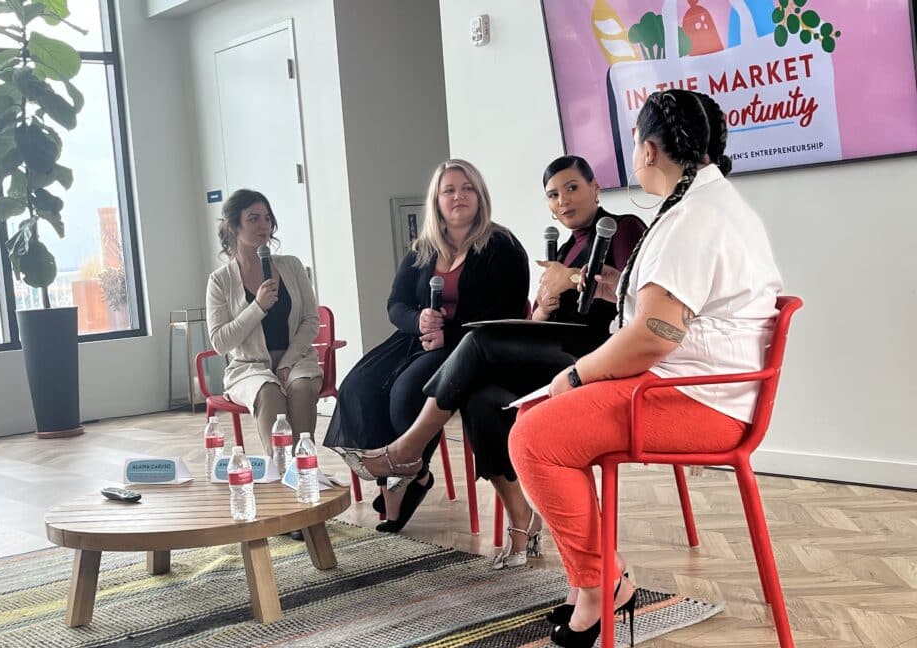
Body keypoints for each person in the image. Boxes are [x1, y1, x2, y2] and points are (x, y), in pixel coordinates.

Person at [509, 89, 782, 648]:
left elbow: (654, 337)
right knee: (540, 418)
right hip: (694, 389)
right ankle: (602, 579)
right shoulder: (710, 206)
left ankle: (601, 585)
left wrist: (579, 375)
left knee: (534, 438)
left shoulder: (694, 218)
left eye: (634, 141)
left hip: (696, 400)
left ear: (650, 149)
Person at [336, 156, 645, 566]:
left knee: (478, 341)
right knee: (482, 400)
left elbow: (633, 293)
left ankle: (406, 450)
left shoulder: (623, 228)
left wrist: (568, 281)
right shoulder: (569, 247)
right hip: (558, 351)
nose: (563, 201)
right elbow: (533, 321)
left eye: (572, 188)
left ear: (595, 188)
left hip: (597, 357)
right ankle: (522, 522)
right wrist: (545, 309)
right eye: (553, 195)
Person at [325, 159, 529, 529]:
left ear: (480, 195)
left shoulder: (503, 246)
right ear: (436, 200)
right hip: (415, 339)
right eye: (449, 190)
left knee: (406, 393)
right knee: (359, 388)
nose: (458, 196)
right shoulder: (422, 249)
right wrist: (417, 320)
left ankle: (408, 472)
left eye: (467, 188)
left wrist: (447, 333)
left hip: (470, 347)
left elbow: (506, 313)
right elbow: (395, 304)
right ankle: (407, 478)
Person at [206, 189, 323, 456]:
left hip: (297, 360)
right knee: (269, 392)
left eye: (267, 218)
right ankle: (280, 469)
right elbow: (221, 342)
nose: (264, 225)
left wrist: (288, 360)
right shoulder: (219, 281)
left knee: (302, 388)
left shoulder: (291, 266)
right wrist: (257, 307)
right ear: (234, 226)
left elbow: (310, 320)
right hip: (249, 368)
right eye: (254, 218)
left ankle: (305, 466)